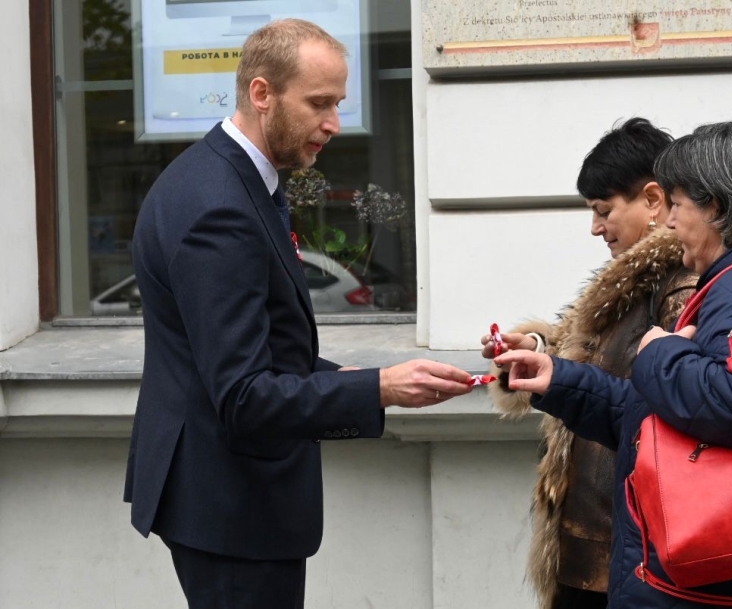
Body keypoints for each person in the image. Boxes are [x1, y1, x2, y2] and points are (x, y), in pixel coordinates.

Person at [123, 18, 473, 609]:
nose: (333, 123)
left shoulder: (228, 177)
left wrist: (349, 380)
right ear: (262, 93)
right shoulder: (219, 205)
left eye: (337, 103)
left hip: (225, 501)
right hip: (232, 511)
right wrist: (379, 388)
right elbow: (244, 396)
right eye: (319, 103)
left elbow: (254, 353)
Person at [494, 120, 732, 608]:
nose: (668, 221)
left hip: (723, 586)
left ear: (717, 208)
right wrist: (560, 380)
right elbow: (662, 418)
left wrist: (660, 352)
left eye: (679, 205)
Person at [481, 117, 696, 609]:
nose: (595, 227)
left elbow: (670, 408)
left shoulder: (678, 285)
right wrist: (537, 345)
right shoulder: (633, 281)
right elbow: (598, 359)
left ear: (653, 199)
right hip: (599, 536)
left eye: (603, 210)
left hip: (624, 542)